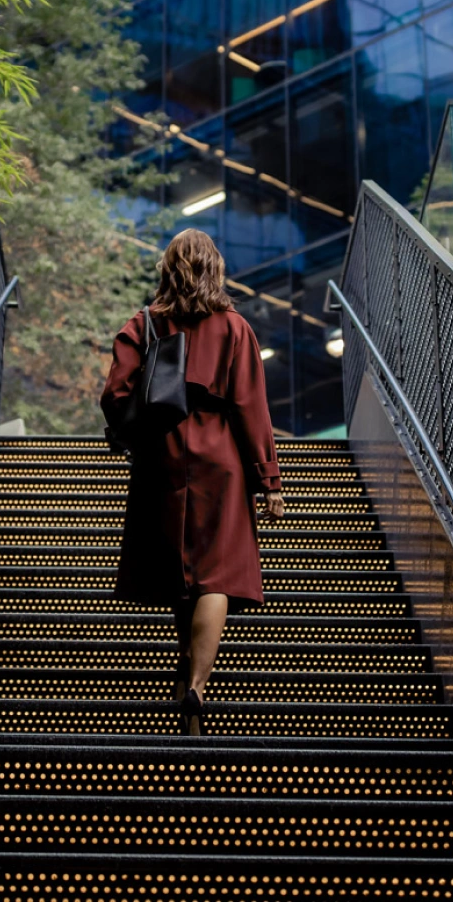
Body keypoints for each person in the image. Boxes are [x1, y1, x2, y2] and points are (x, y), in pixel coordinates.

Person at [100, 228, 285, 734]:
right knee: (215, 574)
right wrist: (268, 479)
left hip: (161, 452)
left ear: (167, 269)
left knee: (181, 576)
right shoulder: (235, 328)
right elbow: (251, 408)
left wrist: (140, 428)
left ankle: (184, 688)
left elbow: (115, 395)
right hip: (221, 456)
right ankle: (196, 686)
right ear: (214, 270)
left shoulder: (142, 325)